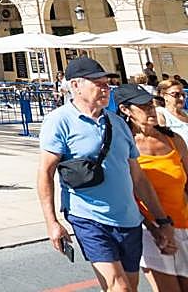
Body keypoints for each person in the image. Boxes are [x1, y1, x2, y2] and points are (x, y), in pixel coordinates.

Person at [38, 57, 175, 292]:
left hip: (128, 219)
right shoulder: (59, 121)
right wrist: (52, 222)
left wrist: (161, 220)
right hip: (89, 218)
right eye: (98, 83)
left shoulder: (117, 123)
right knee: (119, 287)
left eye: (106, 83)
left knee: (130, 287)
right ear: (75, 86)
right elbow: (45, 174)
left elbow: (138, 178)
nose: (106, 88)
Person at [115, 83, 188, 291]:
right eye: (142, 106)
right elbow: (128, 195)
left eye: (150, 104)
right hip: (150, 231)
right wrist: (156, 229)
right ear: (125, 110)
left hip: (184, 225)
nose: (150, 110)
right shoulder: (125, 145)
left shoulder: (174, 140)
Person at [158, 80, 188, 146]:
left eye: (183, 94)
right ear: (164, 96)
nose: (182, 98)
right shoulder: (161, 113)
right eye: (176, 94)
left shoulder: (186, 113)